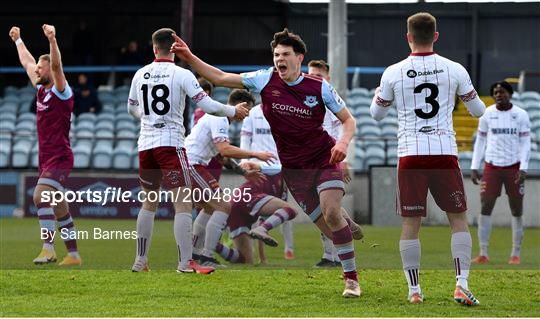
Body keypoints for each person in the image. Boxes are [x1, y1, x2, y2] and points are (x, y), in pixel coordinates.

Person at [171, 28, 361, 298]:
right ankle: (343, 221)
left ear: (299, 57)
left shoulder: (319, 87)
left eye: (285, 54)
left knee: (330, 213)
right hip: (293, 171)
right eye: (276, 55)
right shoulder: (264, 79)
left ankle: (351, 280)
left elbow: (349, 121)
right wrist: (188, 56)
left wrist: (342, 144)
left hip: (323, 159)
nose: (279, 59)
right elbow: (221, 77)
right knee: (331, 231)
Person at [370, 12, 486, 305]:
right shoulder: (454, 69)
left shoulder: (393, 71)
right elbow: (479, 111)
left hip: (410, 154)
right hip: (444, 152)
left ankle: (414, 291)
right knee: (458, 218)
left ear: (408, 37)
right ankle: (461, 284)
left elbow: (377, 114)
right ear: (436, 36)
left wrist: (378, 97)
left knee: (411, 223)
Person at [127, 28, 249, 274]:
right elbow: (206, 104)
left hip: (146, 145)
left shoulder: (140, 74)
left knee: (149, 203)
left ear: (153, 48)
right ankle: (185, 263)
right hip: (170, 144)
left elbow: (132, 108)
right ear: (174, 49)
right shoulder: (181, 74)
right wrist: (232, 111)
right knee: (182, 204)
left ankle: (140, 261)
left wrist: (149, 118)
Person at [9, 25, 82, 266]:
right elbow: (27, 62)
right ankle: (73, 255)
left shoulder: (62, 91)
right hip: (47, 157)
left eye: (41, 68)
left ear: (50, 69)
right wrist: (19, 40)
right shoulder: (41, 89)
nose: (36, 70)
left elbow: (58, 65)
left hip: (60, 157)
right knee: (60, 208)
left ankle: (48, 249)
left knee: (40, 196)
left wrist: (52, 39)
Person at [186, 89, 276, 267]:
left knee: (209, 208)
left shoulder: (218, 116)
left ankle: (195, 255)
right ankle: (207, 257)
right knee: (224, 206)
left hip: (189, 164)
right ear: (239, 106)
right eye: (247, 110)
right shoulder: (220, 117)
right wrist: (255, 154)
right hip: (192, 164)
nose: (246, 115)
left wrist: (244, 173)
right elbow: (225, 150)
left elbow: (222, 158)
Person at [307, 59, 364, 268]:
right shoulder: (304, 101)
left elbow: (346, 128)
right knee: (323, 208)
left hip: (330, 158)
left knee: (328, 209)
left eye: (319, 76)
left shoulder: (331, 100)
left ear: (328, 79)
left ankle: (331, 257)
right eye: (312, 75)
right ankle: (348, 225)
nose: (315, 79)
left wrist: (345, 159)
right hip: (310, 160)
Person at [470, 81, 531, 265]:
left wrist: (523, 167)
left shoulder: (520, 115)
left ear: (510, 94)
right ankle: (483, 253)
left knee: (516, 209)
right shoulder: (487, 113)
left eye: (502, 92)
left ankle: (515, 254)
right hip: (492, 167)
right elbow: (480, 141)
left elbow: (525, 143)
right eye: (495, 92)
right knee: (485, 207)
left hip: (514, 167)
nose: (498, 95)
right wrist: (475, 165)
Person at [239, 101, 296, 260]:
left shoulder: (284, 112)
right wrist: (245, 161)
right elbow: (245, 139)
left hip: (279, 170)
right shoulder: (252, 113)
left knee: (285, 209)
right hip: (257, 169)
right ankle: (261, 256)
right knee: (257, 211)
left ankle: (289, 248)